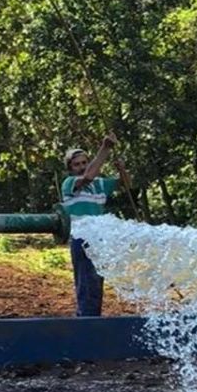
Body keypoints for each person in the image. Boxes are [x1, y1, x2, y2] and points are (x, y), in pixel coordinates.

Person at [61, 133, 129, 316]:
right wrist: (105, 148)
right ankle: (85, 319)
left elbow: (126, 185)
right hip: (82, 239)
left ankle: (92, 317)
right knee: (85, 283)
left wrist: (122, 170)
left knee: (96, 283)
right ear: (70, 168)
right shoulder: (70, 184)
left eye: (84, 163)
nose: (82, 167)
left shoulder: (100, 184)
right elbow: (89, 176)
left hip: (99, 239)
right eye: (77, 164)